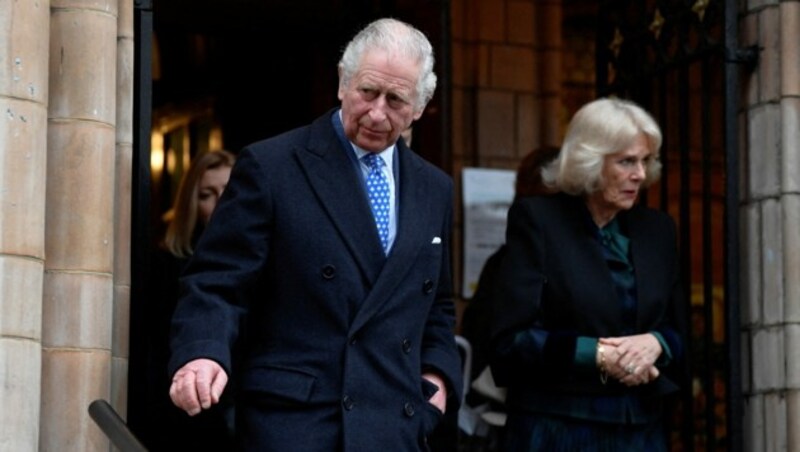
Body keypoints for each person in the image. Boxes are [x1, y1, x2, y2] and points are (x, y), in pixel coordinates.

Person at [167, 17, 462, 451]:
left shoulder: (434, 187)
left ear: (419, 107)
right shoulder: (272, 166)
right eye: (368, 92)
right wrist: (203, 351)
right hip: (298, 424)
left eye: (396, 99)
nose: (378, 112)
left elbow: (436, 303)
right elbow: (218, 281)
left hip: (395, 425)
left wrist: (436, 379)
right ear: (342, 83)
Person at [489, 98, 688, 451]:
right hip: (556, 425)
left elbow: (679, 328)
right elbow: (511, 339)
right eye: (626, 161)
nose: (640, 174)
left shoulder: (657, 230)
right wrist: (598, 355)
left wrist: (655, 343)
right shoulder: (538, 221)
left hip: (641, 427)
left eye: (644, 160)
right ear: (590, 160)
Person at [143, 149, 237, 451]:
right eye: (207, 194)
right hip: (186, 414)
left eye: (229, 191)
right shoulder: (167, 267)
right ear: (190, 204)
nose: (220, 203)